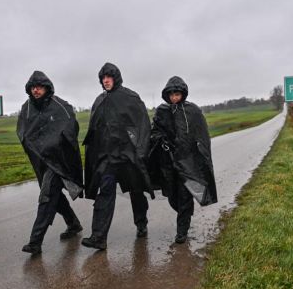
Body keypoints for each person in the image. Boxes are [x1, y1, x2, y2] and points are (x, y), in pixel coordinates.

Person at [82, 62, 154, 250]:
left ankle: (141, 222)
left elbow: (142, 125)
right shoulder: (100, 100)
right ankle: (99, 237)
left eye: (109, 77)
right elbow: (95, 130)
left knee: (136, 190)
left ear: (116, 77)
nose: (105, 81)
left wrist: (139, 151)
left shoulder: (130, 98)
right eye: (103, 78)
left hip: (128, 157)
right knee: (105, 191)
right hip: (108, 159)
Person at [17, 70, 84, 255]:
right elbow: (23, 131)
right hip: (41, 161)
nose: (35, 90)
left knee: (47, 196)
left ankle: (35, 241)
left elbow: (70, 128)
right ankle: (73, 223)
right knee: (55, 196)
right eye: (32, 87)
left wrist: (56, 145)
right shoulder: (27, 108)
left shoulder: (59, 106)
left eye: (39, 87)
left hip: (59, 161)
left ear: (46, 87)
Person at [149, 76, 217, 243]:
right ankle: (184, 213)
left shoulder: (192, 111)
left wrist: (200, 156)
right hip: (169, 162)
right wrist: (161, 139)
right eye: (171, 94)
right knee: (173, 196)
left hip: (188, 162)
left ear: (183, 94)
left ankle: (182, 231)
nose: (174, 97)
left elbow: (202, 135)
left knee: (185, 195)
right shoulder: (162, 111)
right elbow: (154, 131)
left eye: (177, 94)